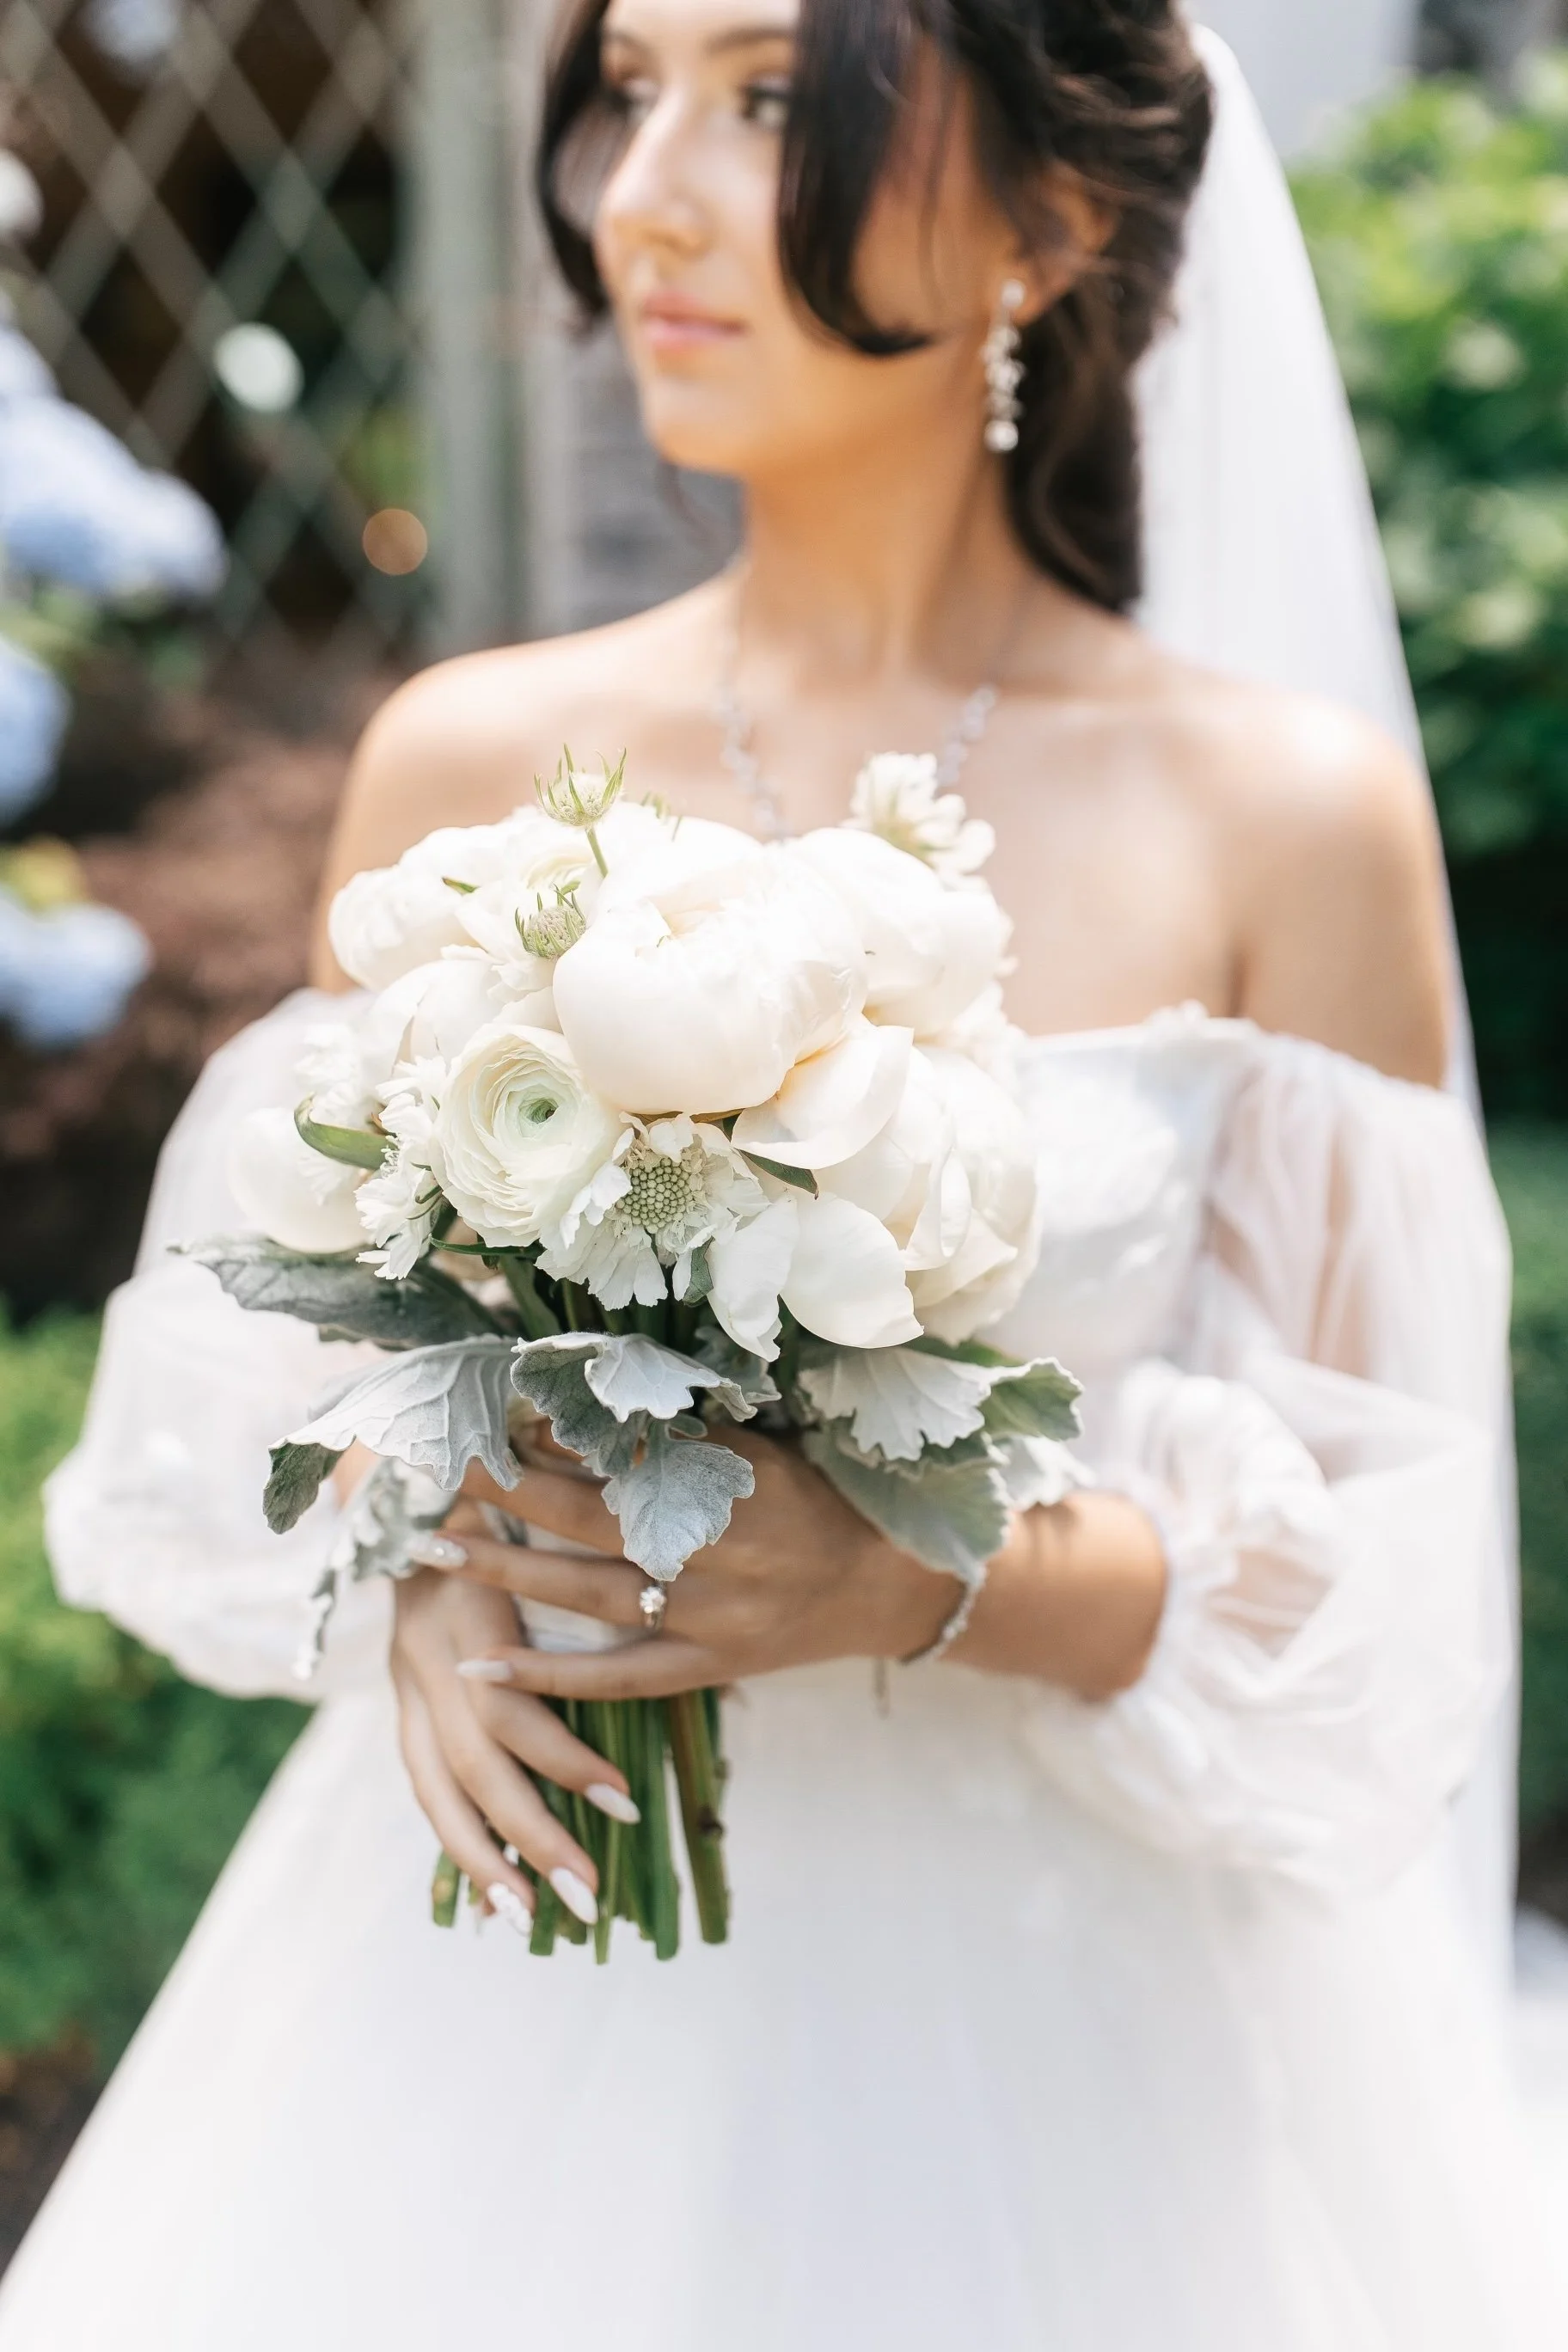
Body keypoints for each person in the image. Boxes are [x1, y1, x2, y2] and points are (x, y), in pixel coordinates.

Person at [1, 2, 1559, 2343]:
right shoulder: (468, 762)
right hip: (492, 2002)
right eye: (628, 91)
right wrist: (438, 1573)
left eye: (764, 100)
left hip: (1091, 2059)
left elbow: (1366, 1605)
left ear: (1052, 217)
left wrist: (918, 1576)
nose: (644, 197)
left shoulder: (1283, 817)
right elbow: (282, 1383)